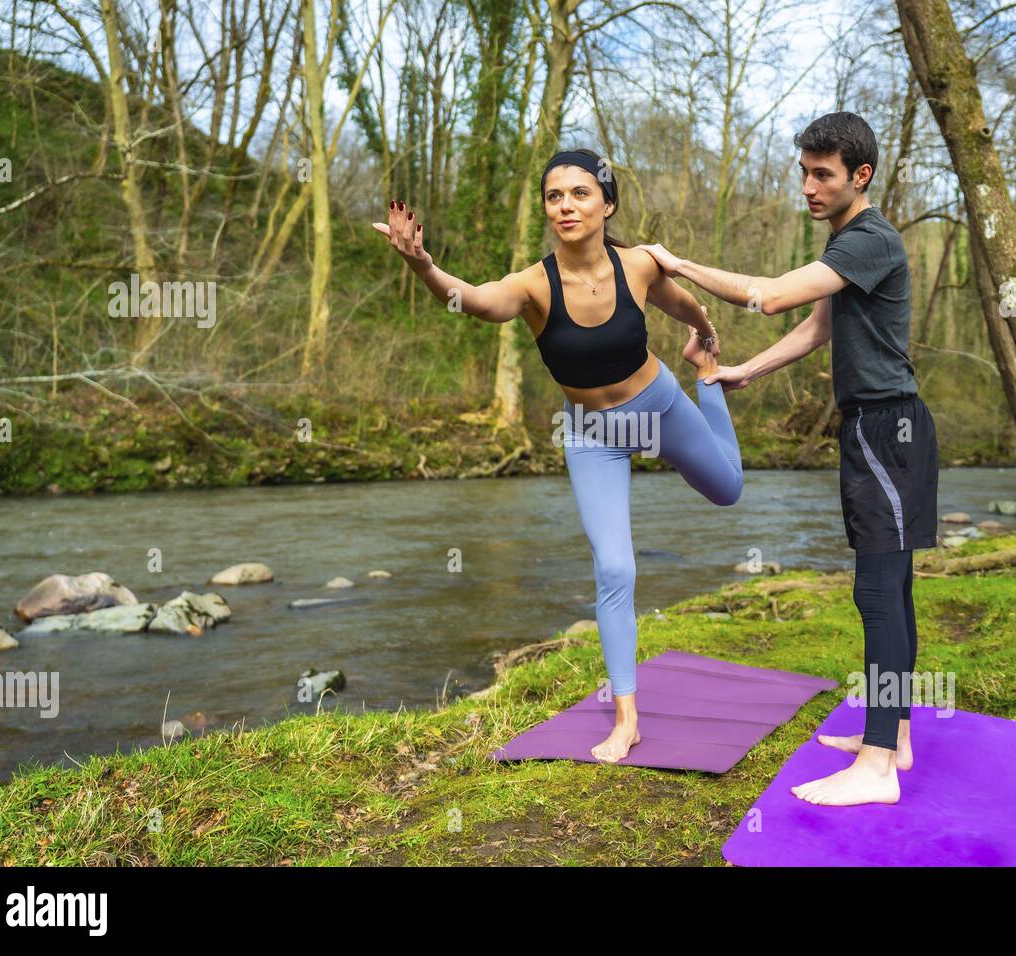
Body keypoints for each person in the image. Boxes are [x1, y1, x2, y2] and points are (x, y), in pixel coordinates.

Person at [374, 148, 744, 764]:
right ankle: (627, 717)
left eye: (578, 193)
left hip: (659, 408)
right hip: (591, 435)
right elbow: (472, 301)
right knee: (616, 568)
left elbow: (687, 308)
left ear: (607, 204)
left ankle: (711, 390)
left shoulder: (640, 266)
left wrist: (705, 343)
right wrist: (424, 266)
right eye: (554, 196)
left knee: (728, 489)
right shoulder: (532, 284)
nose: (565, 206)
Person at [637, 112, 939, 806]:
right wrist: (747, 371)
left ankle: (876, 770)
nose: (806, 185)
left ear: (859, 177)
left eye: (822, 174)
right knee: (893, 590)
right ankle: (891, 736)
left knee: (877, 593)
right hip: (879, 428)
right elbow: (815, 326)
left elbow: (769, 297)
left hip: (887, 431)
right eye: (803, 171)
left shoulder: (870, 239)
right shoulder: (849, 246)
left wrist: (677, 264)